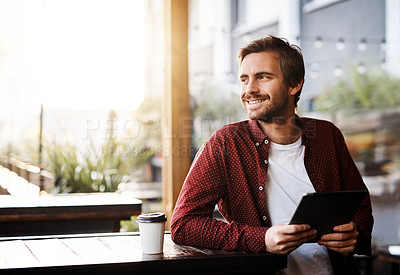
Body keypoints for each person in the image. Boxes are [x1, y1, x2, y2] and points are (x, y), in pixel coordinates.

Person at [170, 35, 373, 274]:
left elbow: (360, 206)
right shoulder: (225, 143)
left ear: (294, 84)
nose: (249, 90)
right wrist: (262, 238)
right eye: (244, 79)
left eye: (263, 77)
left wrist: (355, 234)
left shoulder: (327, 135)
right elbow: (184, 225)